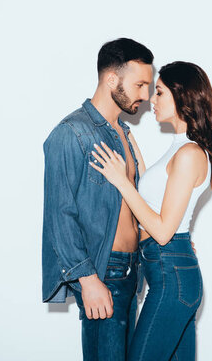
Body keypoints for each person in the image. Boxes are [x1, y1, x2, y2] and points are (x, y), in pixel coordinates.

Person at [89, 61, 212, 361]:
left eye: (160, 93)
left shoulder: (190, 154)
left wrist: (120, 182)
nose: (152, 100)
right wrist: (125, 147)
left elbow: (164, 231)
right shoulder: (179, 149)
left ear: (182, 97)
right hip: (168, 272)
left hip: (172, 276)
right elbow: (151, 193)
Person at [41, 38, 154, 361]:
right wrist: (88, 280)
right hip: (105, 273)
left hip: (133, 273)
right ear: (111, 79)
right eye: (140, 84)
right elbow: (59, 214)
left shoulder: (122, 132)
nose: (145, 95)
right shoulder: (71, 133)